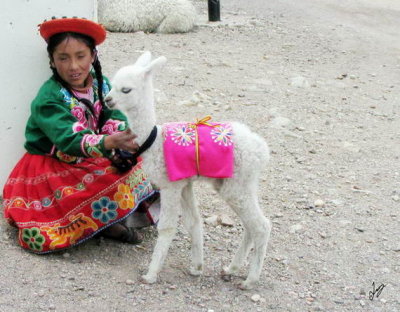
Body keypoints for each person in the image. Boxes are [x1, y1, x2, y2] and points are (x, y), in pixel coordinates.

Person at [1, 17, 159, 254]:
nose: (73, 66)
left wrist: (119, 142)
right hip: (52, 166)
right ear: (52, 61)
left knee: (140, 163)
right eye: (63, 58)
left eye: (80, 56)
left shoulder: (101, 84)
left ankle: (109, 220)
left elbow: (113, 116)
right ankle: (106, 224)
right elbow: (69, 139)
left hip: (90, 154)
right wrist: (107, 143)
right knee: (44, 232)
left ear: (93, 56)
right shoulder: (49, 99)